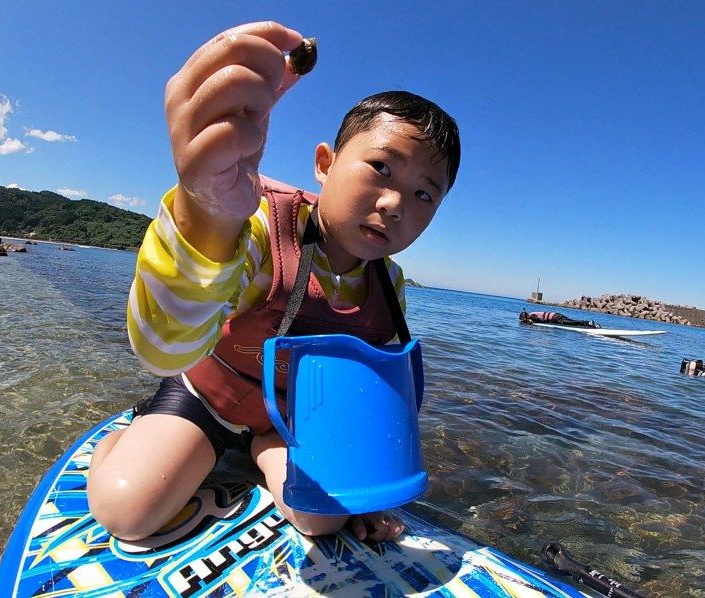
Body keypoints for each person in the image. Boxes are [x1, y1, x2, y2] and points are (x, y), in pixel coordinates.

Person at [87, 21, 460, 545]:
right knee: (127, 510)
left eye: (425, 195)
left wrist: (373, 492)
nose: (396, 204)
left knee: (325, 519)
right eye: (381, 167)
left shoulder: (389, 284)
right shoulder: (259, 227)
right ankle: (125, 439)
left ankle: (262, 452)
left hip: (286, 423)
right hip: (209, 397)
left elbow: (369, 393)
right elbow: (161, 345)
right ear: (325, 165)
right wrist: (207, 213)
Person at [519, 309, 599, 328]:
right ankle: (589, 323)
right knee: (572, 321)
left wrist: (532, 324)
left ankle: (588, 323)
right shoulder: (533, 313)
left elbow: (543, 321)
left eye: (523, 319)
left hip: (556, 318)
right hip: (557, 315)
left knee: (573, 323)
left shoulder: (532, 316)